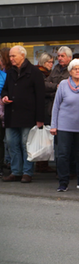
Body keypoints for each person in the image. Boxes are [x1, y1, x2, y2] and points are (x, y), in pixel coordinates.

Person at [1, 46, 46, 183]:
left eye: (13, 56)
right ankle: (16, 171)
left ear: (22, 55)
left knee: (26, 144)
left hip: (28, 115)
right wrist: (4, 97)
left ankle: (27, 172)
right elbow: (5, 90)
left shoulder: (34, 72)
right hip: (11, 115)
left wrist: (40, 118)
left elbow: (40, 96)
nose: (11, 58)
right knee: (12, 144)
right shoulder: (10, 72)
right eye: (10, 56)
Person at [51, 58, 79, 191]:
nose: (78, 71)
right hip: (64, 125)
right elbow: (56, 105)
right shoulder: (63, 84)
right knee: (63, 154)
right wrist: (54, 125)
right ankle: (63, 183)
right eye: (75, 69)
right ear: (70, 71)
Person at [33, 52, 56, 174]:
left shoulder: (48, 73)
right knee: (42, 137)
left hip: (47, 106)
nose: (51, 64)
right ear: (43, 62)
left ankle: (43, 163)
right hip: (43, 107)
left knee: (46, 137)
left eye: (52, 62)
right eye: (49, 62)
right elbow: (42, 89)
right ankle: (41, 164)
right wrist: (53, 90)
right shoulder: (40, 73)